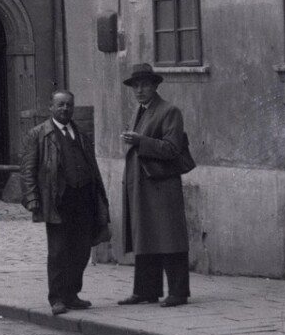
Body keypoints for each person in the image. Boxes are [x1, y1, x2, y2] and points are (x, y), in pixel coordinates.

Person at [20, 89, 112, 315]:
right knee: (59, 251)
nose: (65, 109)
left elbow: (92, 167)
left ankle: (72, 294)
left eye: (69, 105)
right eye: (60, 105)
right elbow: (28, 170)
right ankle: (57, 298)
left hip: (84, 200)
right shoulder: (39, 134)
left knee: (81, 250)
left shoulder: (80, 134)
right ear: (51, 107)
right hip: (57, 201)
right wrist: (32, 198)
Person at [118, 62, 196, 307]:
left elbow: (173, 148)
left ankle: (178, 292)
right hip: (142, 184)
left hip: (161, 185)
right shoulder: (140, 110)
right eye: (136, 86)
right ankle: (146, 291)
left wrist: (142, 141)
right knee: (145, 236)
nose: (139, 90)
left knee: (169, 236)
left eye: (144, 85)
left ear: (154, 86)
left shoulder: (169, 111)